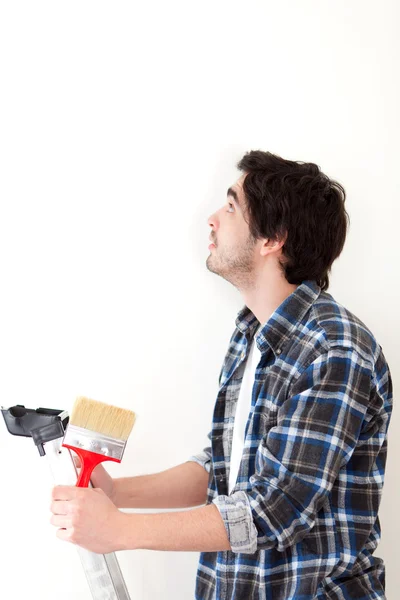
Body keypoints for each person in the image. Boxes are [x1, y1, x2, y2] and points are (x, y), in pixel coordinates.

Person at [51, 150, 393, 600]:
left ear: (273, 238)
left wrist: (120, 530)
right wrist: (116, 494)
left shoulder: (335, 348)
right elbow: (224, 471)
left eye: (231, 207)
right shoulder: (250, 334)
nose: (211, 219)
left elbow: (274, 506)